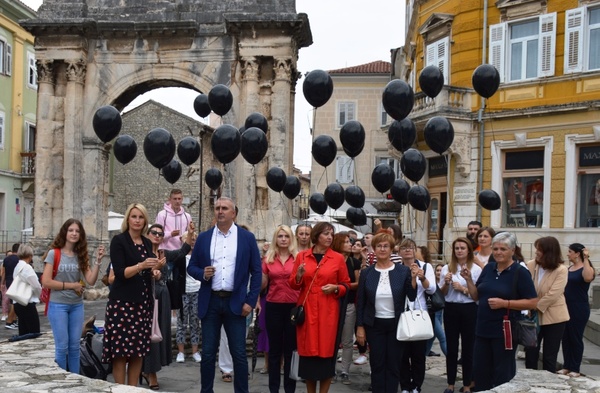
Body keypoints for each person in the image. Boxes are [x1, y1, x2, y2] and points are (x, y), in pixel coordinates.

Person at [187, 197, 262, 393]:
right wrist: (202, 273)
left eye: (224, 208)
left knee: (238, 353)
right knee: (209, 353)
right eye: (217, 208)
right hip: (210, 301)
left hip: (236, 302)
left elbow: (257, 271)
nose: (220, 211)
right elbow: (191, 267)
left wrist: (251, 301)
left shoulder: (247, 238)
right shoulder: (204, 237)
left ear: (233, 213)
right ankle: (206, 391)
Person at [461, 232, 537, 391]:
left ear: (512, 250)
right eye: (495, 248)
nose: (498, 252)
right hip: (482, 329)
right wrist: (468, 280)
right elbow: (476, 296)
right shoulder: (488, 268)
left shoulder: (519, 272)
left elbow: (532, 302)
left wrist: (505, 303)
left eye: (503, 249)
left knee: (503, 373)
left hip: (504, 331)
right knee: (480, 371)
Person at [102, 204, 162, 386]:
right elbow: (119, 273)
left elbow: (146, 271)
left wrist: (154, 272)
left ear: (145, 221)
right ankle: (121, 389)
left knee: (138, 351)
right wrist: (141, 266)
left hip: (142, 304)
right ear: (128, 219)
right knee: (120, 353)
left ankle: (133, 389)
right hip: (122, 304)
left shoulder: (146, 243)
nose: (137, 220)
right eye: (134, 216)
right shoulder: (119, 241)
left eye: (141, 217)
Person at [288, 221, 350, 393]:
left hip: (328, 311)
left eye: (331, 233)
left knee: (326, 353)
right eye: (326, 233)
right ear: (316, 236)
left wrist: (335, 288)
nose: (330, 237)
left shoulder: (337, 258)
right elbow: (293, 284)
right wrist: (299, 276)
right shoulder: (302, 256)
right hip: (307, 310)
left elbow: (346, 285)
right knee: (308, 354)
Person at [356, 230, 417, 393]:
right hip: (374, 324)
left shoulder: (402, 271)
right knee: (377, 364)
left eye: (386, 246)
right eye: (379, 246)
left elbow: (411, 297)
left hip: (396, 324)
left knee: (394, 365)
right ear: (374, 249)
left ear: (391, 250)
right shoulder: (367, 273)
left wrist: (413, 278)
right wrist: (360, 326)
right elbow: (360, 302)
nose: (382, 249)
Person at [42, 219, 105, 374]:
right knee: (62, 346)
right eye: (71, 230)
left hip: (76, 305)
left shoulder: (80, 255)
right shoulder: (54, 253)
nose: (74, 233)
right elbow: (46, 281)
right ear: (65, 232)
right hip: (58, 305)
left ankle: (75, 380)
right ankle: (63, 381)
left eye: (77, 231)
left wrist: (97, 262)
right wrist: (72, 286)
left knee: (75, 346)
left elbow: (90, 280)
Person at [142, 223, 194, 389]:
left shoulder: (163, 253)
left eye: (160, 233)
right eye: (154, 233)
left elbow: (181, 252)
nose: (157, 235)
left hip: (163, 295)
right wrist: (153, 270)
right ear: (148, 234)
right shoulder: (143, 253)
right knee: (151, 334)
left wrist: (191, 233)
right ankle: (151, 373)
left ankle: (149, 369)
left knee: (161, 333)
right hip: (148, 296)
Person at [440, 237, 482, 393]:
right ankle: (450, 383)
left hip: (469, 309)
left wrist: (467, 281)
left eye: (462, 248)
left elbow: (476, 295)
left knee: (468, 347)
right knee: (451, 347)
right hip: (451, 308)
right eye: (456, 248)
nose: (459, 251)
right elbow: (441, 294)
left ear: (468, 250)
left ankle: (466, 384)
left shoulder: (476, 269)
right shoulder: (447, 268)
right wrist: (445, 282)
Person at [262, 225, 300, 393]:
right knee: (275, 350)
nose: (283, 239)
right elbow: (262, 284)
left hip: (293, 306)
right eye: (280, 236)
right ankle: (274, 389)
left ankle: (290, 389)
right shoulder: (268, 258)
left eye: (286, 236)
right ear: (275, 239)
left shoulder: (299, 258)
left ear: (291, 239)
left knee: (291, 350)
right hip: (274, 305)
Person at [525, 236, 569, 373]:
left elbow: (553, 294)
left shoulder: (561, 270)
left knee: (550, 355)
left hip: (554, 318)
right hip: (532, 317)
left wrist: (533, 305)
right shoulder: (531, 264)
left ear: (549, 252)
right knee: (531, 353)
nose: (536, 252)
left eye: (539, 249)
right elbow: (525, 286)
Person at [397, 238, 436, 393]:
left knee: (418, 354)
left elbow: (432, 289)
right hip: (401, 314)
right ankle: (405, 385)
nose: (407, 250)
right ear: (399, 251)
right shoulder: (396, 268)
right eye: (404, 248)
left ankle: (417, 385)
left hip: (420, 314)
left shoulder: (425, 266)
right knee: (403, 354)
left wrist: (422, 277)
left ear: (415, 250)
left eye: (411, 247)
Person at [559, 243, 596, 377]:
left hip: (579, 307)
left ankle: (575, 367)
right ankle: (566, 366)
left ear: (577, 253)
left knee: (575, 337)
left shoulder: (586, 268)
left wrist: (586, 258)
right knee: (566, 337)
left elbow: (587, 277)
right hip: (565, 306)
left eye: (570, 252)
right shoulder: (569, 268)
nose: (568, 254)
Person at [331, 232, 361, 384]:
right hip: (331, 304)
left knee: (348, 340)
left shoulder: (353, 262)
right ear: (338, 244)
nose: (351, 244)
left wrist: (341, 286)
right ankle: (329, 369)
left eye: (350, 242)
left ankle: (344, 371)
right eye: (347, 242)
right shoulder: (330, 261)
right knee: (330, 338)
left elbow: (358, 283)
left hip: (348, 304)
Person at [175, 231, 202, 364]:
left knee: (195, 323)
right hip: (183, 292)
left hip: (197, 291)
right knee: (181, 323)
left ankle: (195, 351)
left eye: (195, 239)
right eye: (190, 239)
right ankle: (181, 352)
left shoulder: (199, 257)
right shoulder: (180, 256)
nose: (192, 241)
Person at [12, 244, 42, 335]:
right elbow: (36, 285)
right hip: (27, 302)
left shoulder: (17, 267)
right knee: (34, 331)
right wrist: (40, 295)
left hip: (18, 302)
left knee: (23, 330)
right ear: (30, 256)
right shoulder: (27, 267)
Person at [2, 243, 20, 329]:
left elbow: (4, 272)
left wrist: (2, 283)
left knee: (12, 301)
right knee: (14, 302)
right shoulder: (19, 260)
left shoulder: (6, 259)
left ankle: (14, 321)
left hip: (8, 281)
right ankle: (9, 321)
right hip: (16, 281)